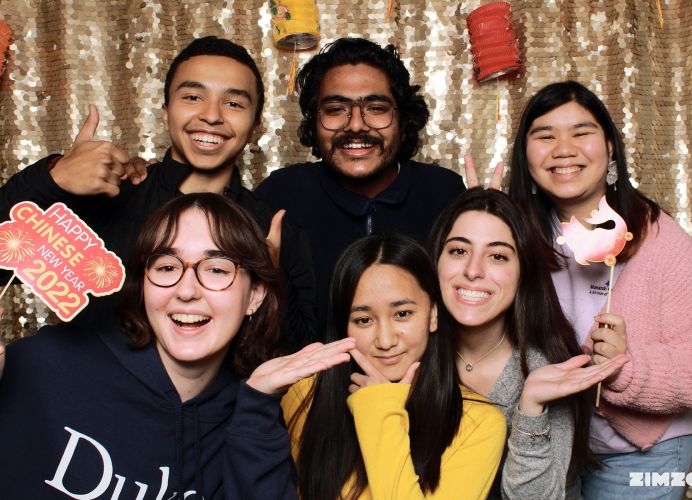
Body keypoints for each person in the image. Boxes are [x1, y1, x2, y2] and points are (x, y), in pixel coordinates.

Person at [0, 193, 357, 498]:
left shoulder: (252, 415)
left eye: (217, 269)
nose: (186, 291)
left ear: (255, 297)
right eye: (168, 267)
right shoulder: (43, 365)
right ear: (144, 285)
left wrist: (258, 405)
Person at [0, 36, 316, 351]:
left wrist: (271, 284)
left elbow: (301, 356)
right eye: (192, 97)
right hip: (90, 396)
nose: (211, 115)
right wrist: (55, 176)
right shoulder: (107, 195)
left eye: (233, 103)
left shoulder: (274, 232)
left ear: (255, 125)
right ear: (165, 112)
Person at [506, 81, 692, 499]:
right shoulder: (513, 238)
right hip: (551, 445)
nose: (563, 148)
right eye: (545, 135)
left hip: (644, 450)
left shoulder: (659, 240)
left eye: (581, 132)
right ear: (526, 157)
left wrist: (627, 367)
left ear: (610, 148)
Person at [255, 233, 504, 499]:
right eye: (363, 320)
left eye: (402, 314)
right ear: (343, 327)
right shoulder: (303, 396)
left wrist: (378, 408)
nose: (385, 341)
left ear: (432, 315)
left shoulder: (478, 423)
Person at [255, 38, 466, 339]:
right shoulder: (281, 196)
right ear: (315, 121)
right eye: (336, 109)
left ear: (402, 120)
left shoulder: (444, 193)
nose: (355, 125)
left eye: (376, 108)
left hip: (423, 383)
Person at [429, 187, 628, 499]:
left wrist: (531, 410)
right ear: (436, 260)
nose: (472, 271)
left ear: (523, 273)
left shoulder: (548, 370)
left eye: (497, 256)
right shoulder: (406, 352)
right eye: (458, 251)